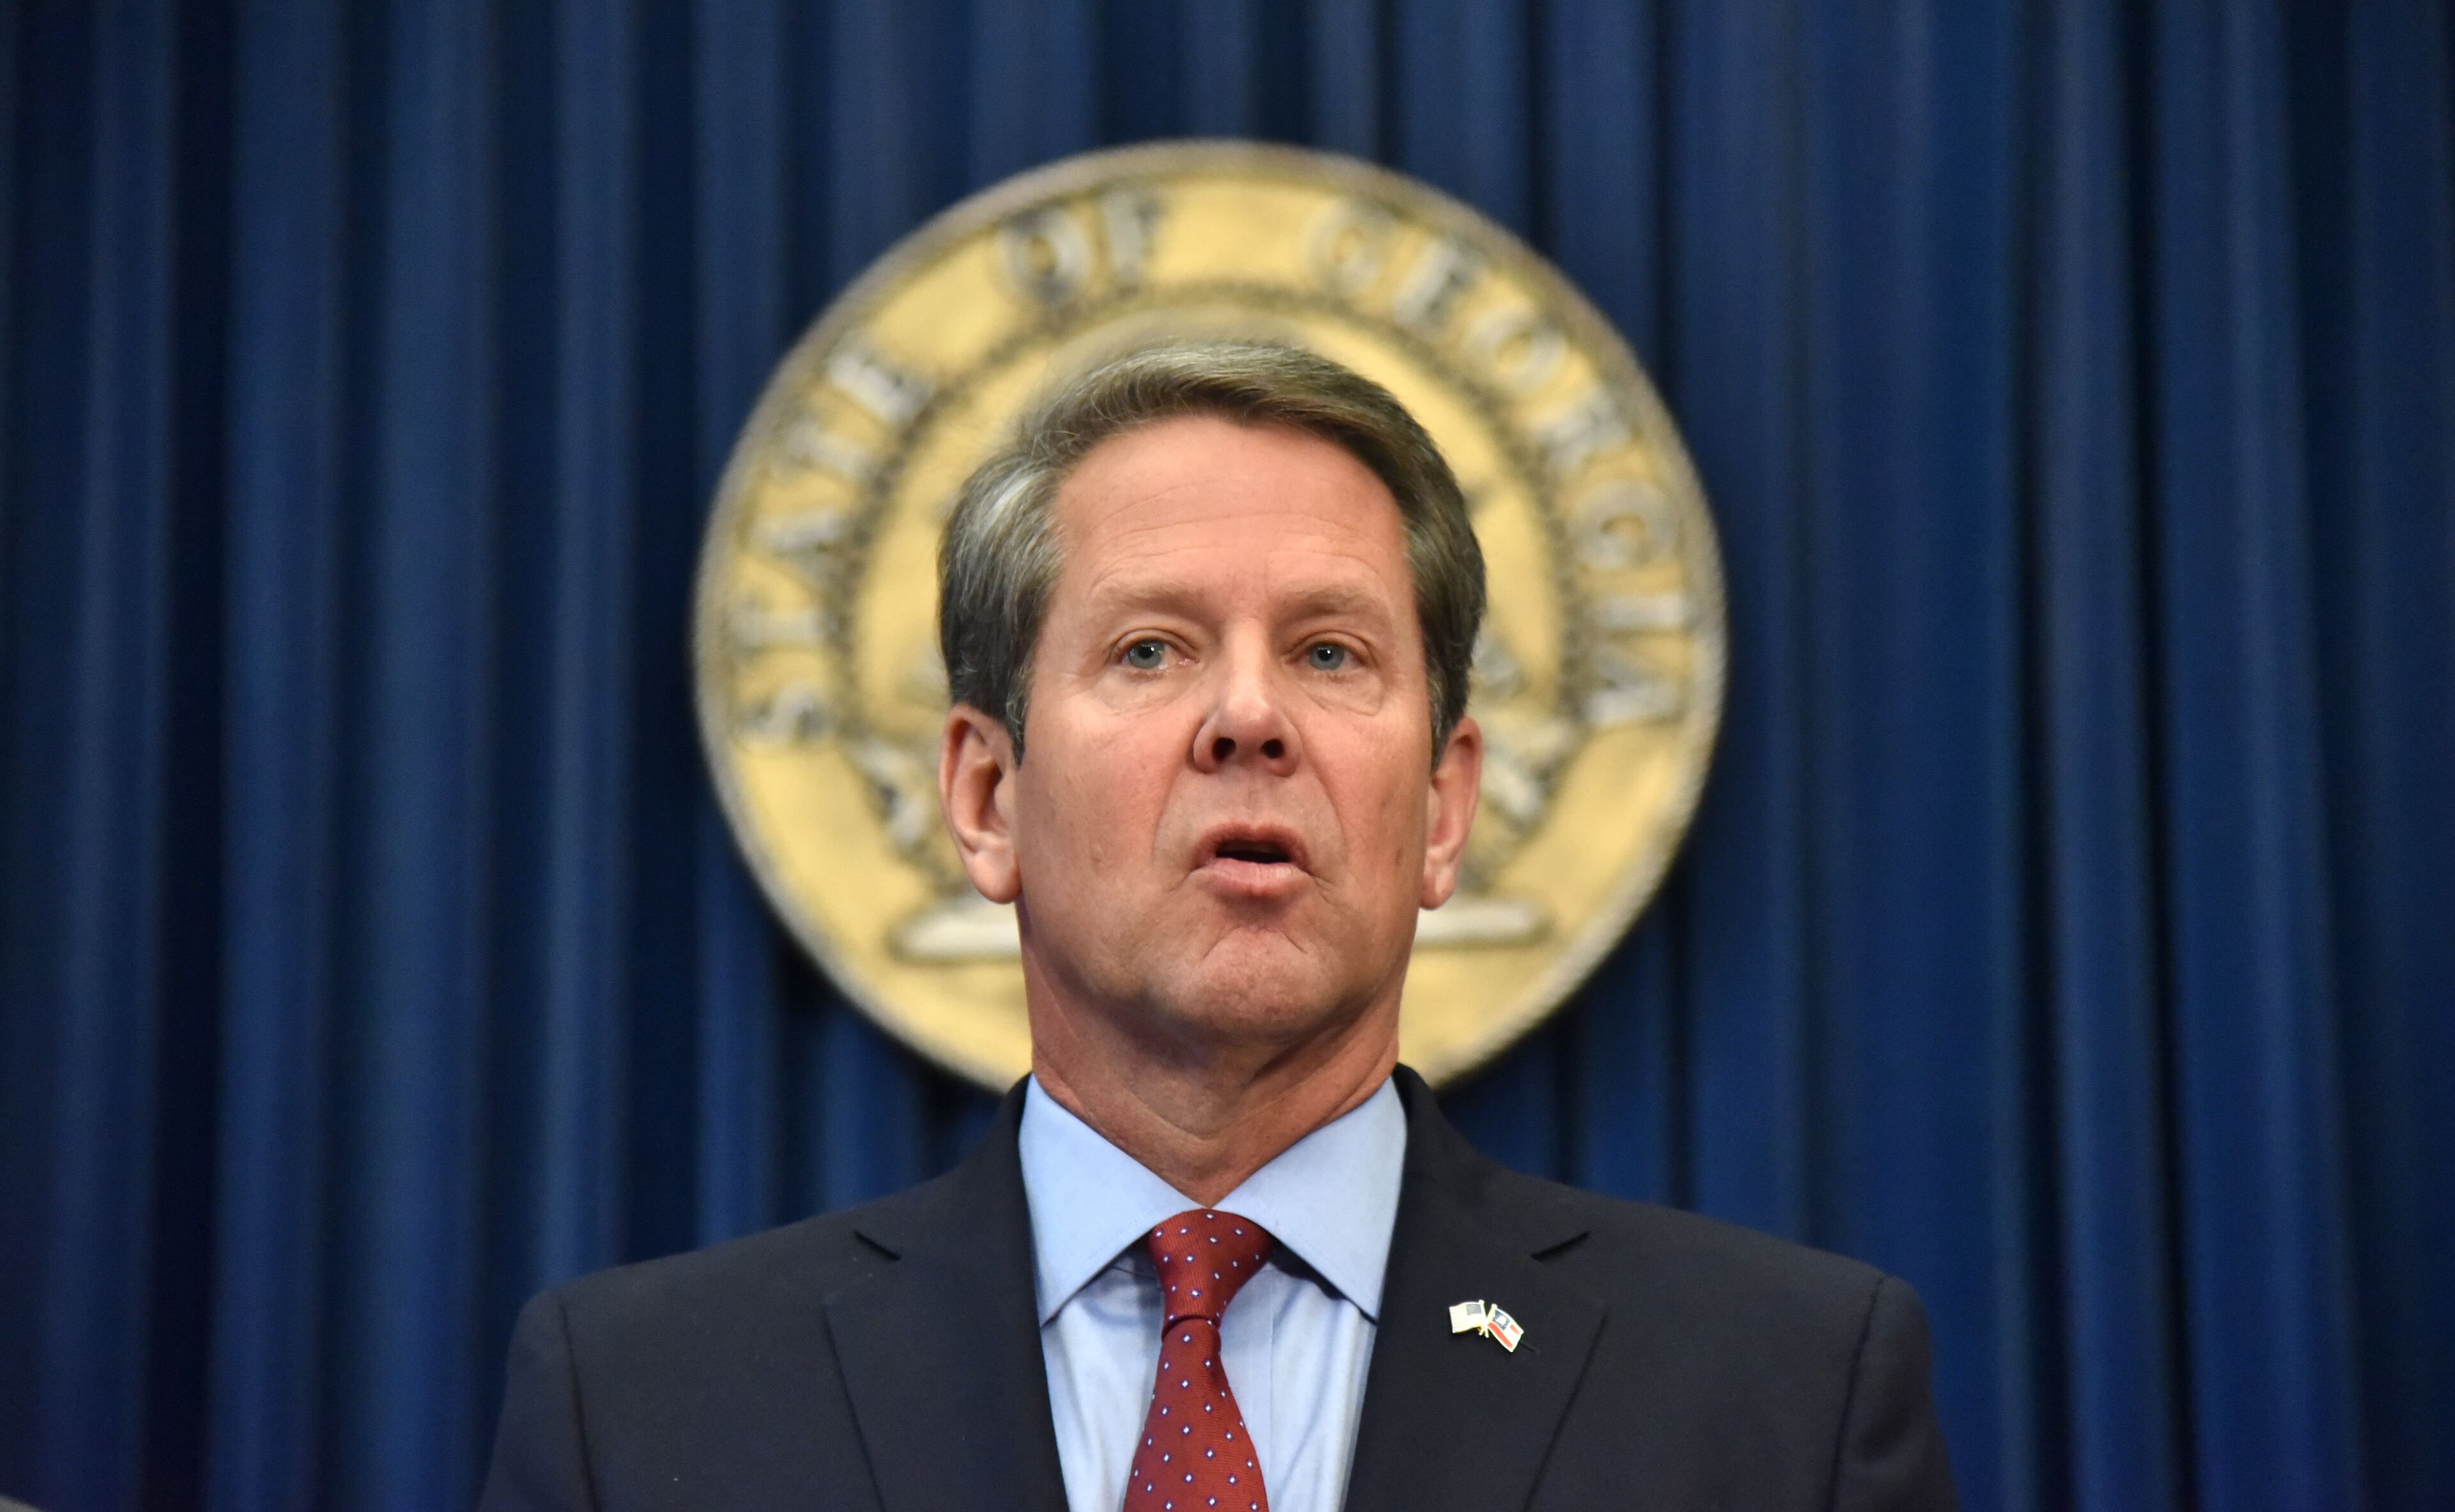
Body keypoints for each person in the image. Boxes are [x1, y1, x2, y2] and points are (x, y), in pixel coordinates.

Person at [479, 343, 1959, 1511]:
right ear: (987, 795)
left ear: (1443, 809)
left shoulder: (1783, 1395)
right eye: (1149, 650)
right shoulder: (646, 1408)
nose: (1248, 717)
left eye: (1330, 650)